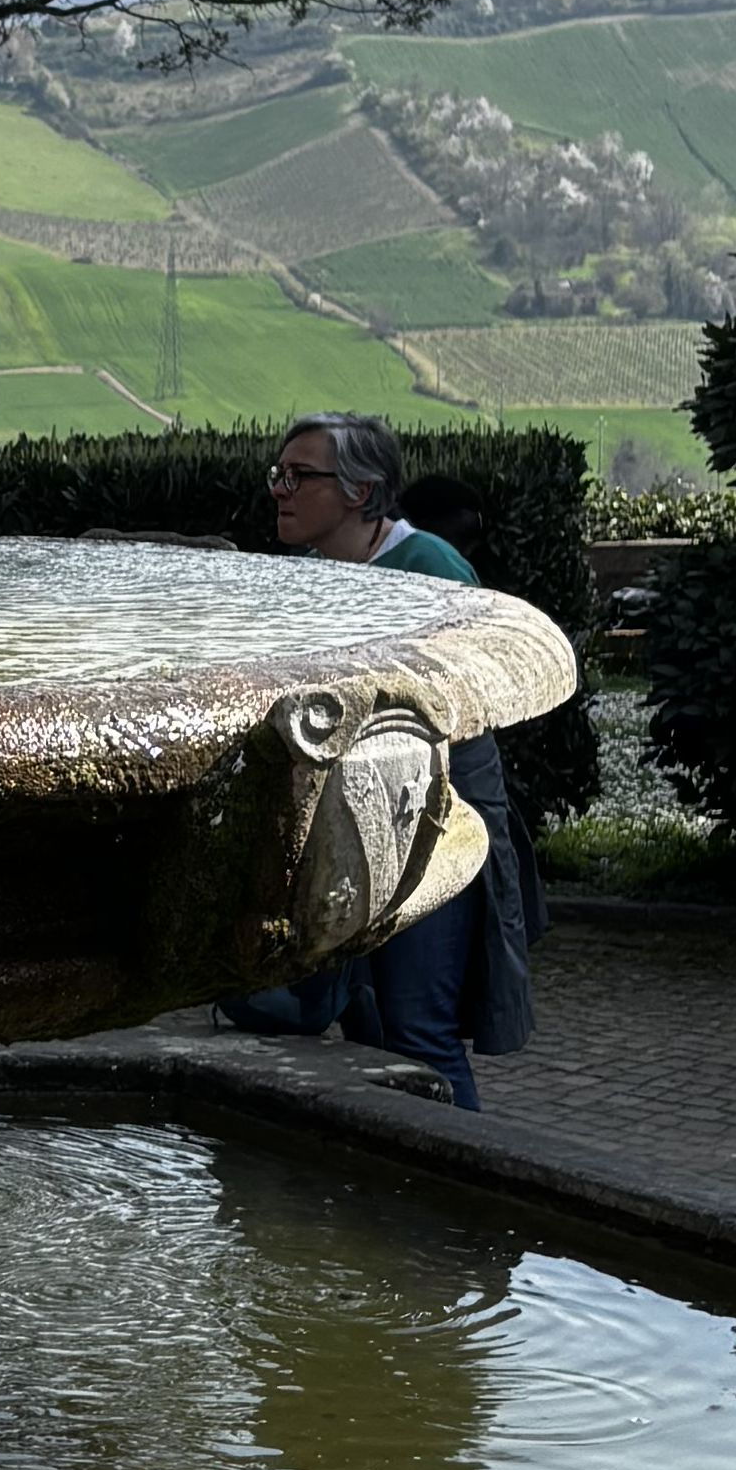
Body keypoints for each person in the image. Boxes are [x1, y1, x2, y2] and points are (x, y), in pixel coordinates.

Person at [212, 412, 542, 1109]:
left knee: (416, 1030)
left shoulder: (431, 571)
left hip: (431, 834)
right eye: (279, 473)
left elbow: (468, 715)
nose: (281, 489)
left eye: (301, 476)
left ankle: (457, 1194)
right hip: (345, 837)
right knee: (365, 1028)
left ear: (361, 492)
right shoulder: (299, 579)